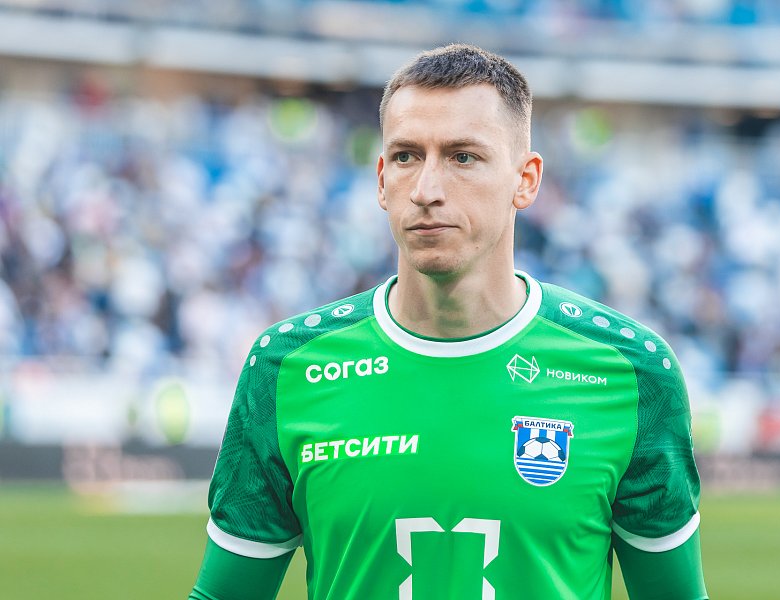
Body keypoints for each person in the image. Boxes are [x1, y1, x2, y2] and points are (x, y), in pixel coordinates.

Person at [189, 43, 708, 600]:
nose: (426, 190)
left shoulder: (631, 373)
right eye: (407, 156)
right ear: (381, 179)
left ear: (526, 179)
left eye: (463, 157)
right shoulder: (286, 367)